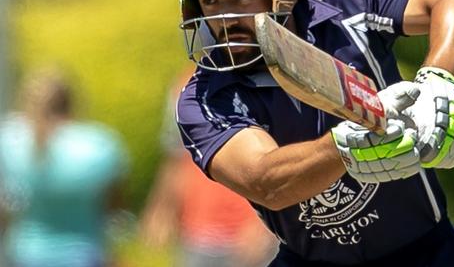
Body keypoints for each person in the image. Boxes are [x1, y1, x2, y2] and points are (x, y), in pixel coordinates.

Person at [173, 0, 454, 266]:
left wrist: (437, 80)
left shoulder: (351, 1)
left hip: (430, 252)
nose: (225, 18)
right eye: (210, 0)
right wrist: (344, 147)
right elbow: (265, 181)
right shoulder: (203, 97)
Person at [140, 66, 278, 267]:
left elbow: (279, 160)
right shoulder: (187, 85)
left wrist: (266, 225)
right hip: (197, 231)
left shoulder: (266, 85)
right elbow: (176, 155)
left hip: (246, 233)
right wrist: (162, 208)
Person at [0, 67, 128, 267]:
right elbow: (113, 210)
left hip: (25, 254)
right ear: (71, 102)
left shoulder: (10, 142)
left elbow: (6, 206)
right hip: (82, 254)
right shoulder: (99, 145)